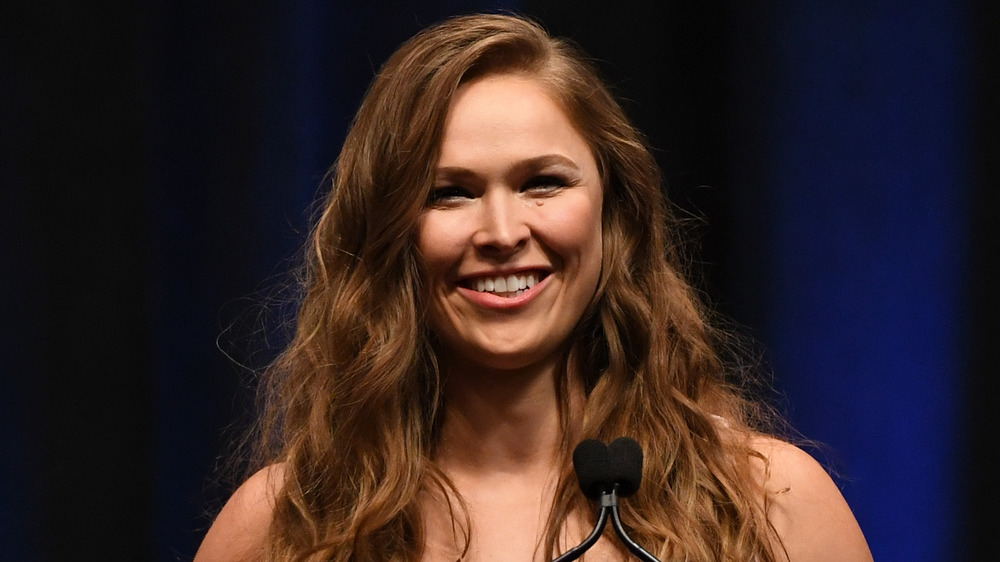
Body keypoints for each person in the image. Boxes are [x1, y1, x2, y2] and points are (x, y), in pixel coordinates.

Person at [194, 13, 873, 562]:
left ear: (616, 215)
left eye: (542, 183)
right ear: (389, 236)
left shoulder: (770, 505)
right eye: (449, 193)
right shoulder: (287, 524)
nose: (500, 230)